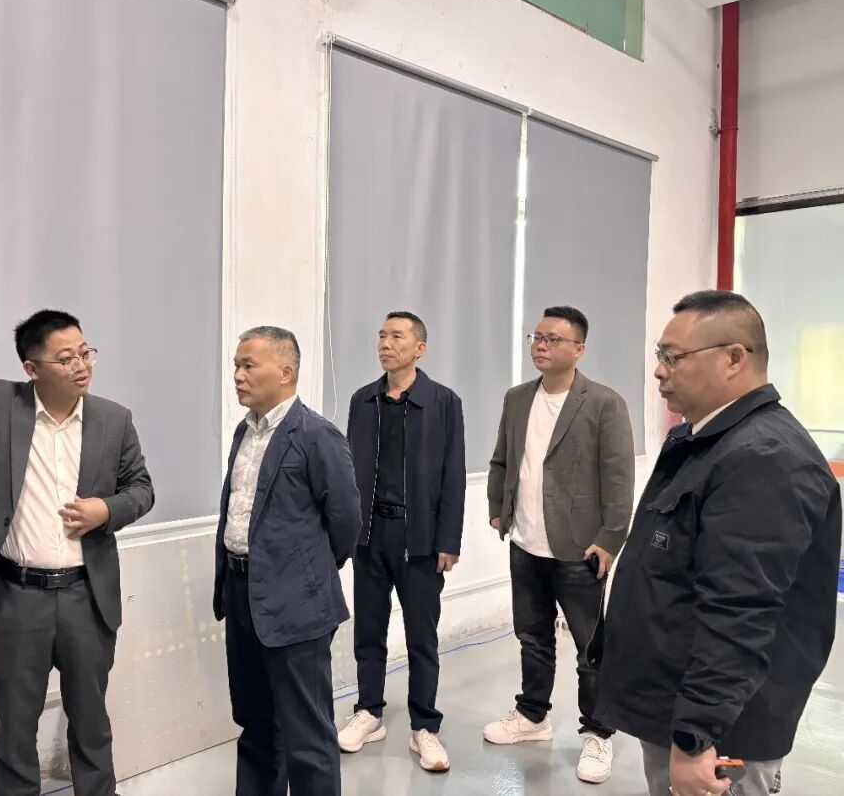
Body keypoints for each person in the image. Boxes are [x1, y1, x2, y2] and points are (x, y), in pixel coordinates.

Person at [592, 290, 842, 796]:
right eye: (659, 356)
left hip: (720, 728)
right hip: (677, 700)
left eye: (673, 357)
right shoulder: (704, 441)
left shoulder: (763, 458)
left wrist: (695, 735)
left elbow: (740, 610)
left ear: (734, 358)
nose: (658, 371)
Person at [0, 274, 154, 796]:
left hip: (86, 598)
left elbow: (142, 489)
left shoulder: (113, 420)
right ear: (31, 369)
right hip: (16, 597)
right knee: (14, 727)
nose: (81, 365)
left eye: (85, 352)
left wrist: (107, 509)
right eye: (66, 358)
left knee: (91, 724)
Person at [484, 305, 635, 785]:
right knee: (532, 637)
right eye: (537, 337)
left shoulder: (604, 403)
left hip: (580, 549)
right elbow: (502, 459)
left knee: (591, 648)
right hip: (525, 543)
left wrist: (610, 538)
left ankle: (597, 732)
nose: (541, 345)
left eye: (553, 339)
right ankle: (533, 716)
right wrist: (498, 508)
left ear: (579, 349)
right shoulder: (517, 399)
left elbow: (619, 478)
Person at [213, 326, 361, 796]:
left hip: (297, 603)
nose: (238, 375)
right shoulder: (245, 431)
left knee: (307, 734)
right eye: (236, 365)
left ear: (285, 371)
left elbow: (346, 521)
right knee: (256, 722)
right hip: (241, 594)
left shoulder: (317, 436)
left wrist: (305, 574)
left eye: (248, 365)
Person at [336, 311, 465, 772]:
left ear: (419, 349)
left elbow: (453, 475)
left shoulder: (443, 402)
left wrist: (449, 540)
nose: (386, 344)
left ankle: (424, 726)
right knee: (368, 631)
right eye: (381, 336)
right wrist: (346, 531)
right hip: (370, 536)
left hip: (421, 539)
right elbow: (348, 471)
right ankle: (369, 711)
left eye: (397, 336)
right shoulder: (363, 401)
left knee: (421, 637)